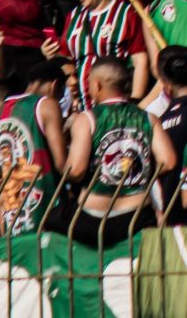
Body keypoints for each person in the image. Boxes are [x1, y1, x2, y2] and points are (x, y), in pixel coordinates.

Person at [62, 54, 173, 246]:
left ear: (96, 85)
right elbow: (168, 161)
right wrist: (139, 172)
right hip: (137, 215)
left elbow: (77, 170)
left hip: (93, 218)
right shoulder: (148, 118)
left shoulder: (86, 119)